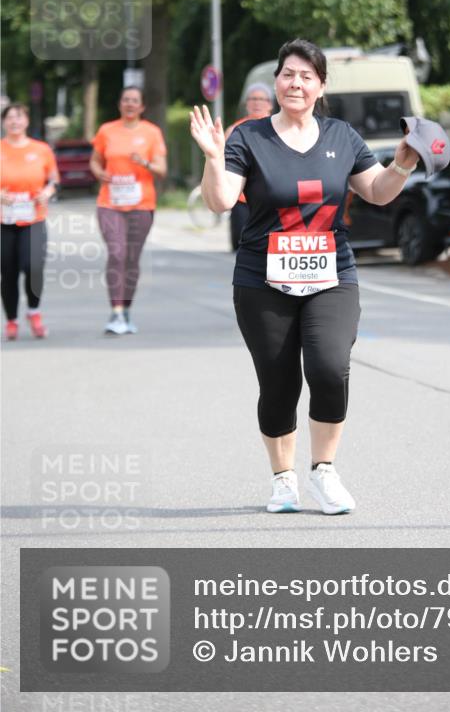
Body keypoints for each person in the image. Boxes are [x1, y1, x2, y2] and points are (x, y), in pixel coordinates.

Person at [190, 39, 419, 514]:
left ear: (321, 86)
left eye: (306, 76)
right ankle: (283, 480)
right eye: (288, 74)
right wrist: (214, 158)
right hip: (261, 281)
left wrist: (401, 164)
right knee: (278, 383)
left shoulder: (341, 136)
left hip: (332, 273)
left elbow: (376, 191)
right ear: (277, 81)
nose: (296, 83)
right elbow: (220, 201)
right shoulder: (248, 138)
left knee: (329, 367)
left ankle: (325, 472)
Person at [90, 86, 167, 336]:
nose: (130, 104)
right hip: (109, 203)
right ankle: (115, 312)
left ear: (142, 107)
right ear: (120, 104)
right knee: (117, 253)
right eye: (126, 100)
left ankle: (126, 311)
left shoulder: (152, 133)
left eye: (135, 101)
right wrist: (98, 171)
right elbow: (95, 159)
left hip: (141, 204)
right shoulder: (106, 130)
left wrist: (144, 162)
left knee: (132, 258)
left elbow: (161, 170)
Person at [1, 103, 59, 340]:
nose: (15, 121)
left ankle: (34, 312)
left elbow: (53, 180)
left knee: (33, 267)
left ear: (26, 121)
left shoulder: (42, 149)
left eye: (19, 117)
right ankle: (12, 320)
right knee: (8, 272)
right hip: (4, 220)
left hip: (34, 217)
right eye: (10, 118)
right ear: (4, 123)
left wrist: (47, 192)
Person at [224, 82, 274, 250]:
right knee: (241, 242)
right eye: (253, 99)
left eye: (261, 99)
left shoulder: (278, 128)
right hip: (242, 197)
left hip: (271, 196)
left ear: (270, 104)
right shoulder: (234, 130)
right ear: (246, 104)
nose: (257, 103)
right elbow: (222, 162)